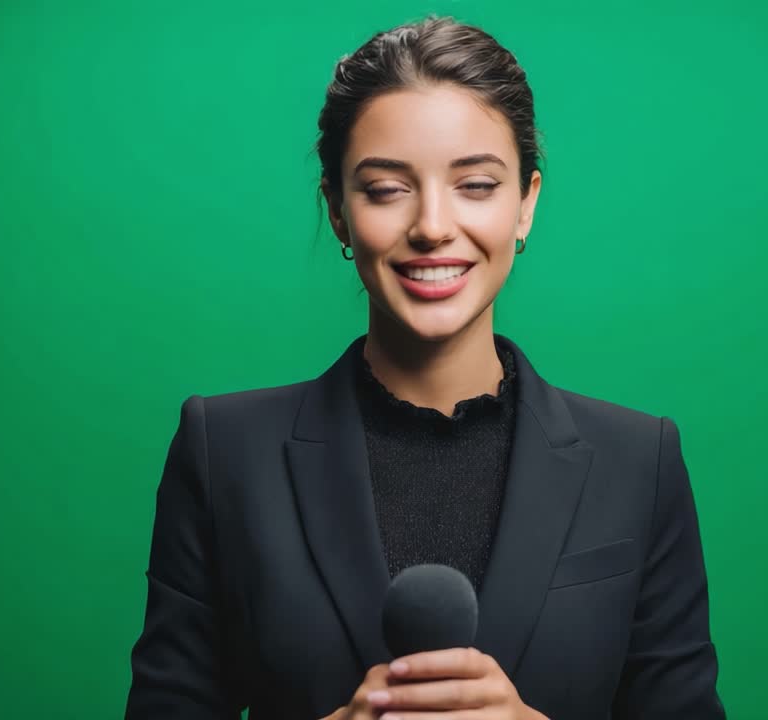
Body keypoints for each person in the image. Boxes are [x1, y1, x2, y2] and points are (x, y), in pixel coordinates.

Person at [125, 16, 724, 720]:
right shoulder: (222, 452)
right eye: (385, 188)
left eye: (475, 184)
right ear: (339, 211)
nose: (433, 225)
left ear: (526, 204)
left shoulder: (638, 462)